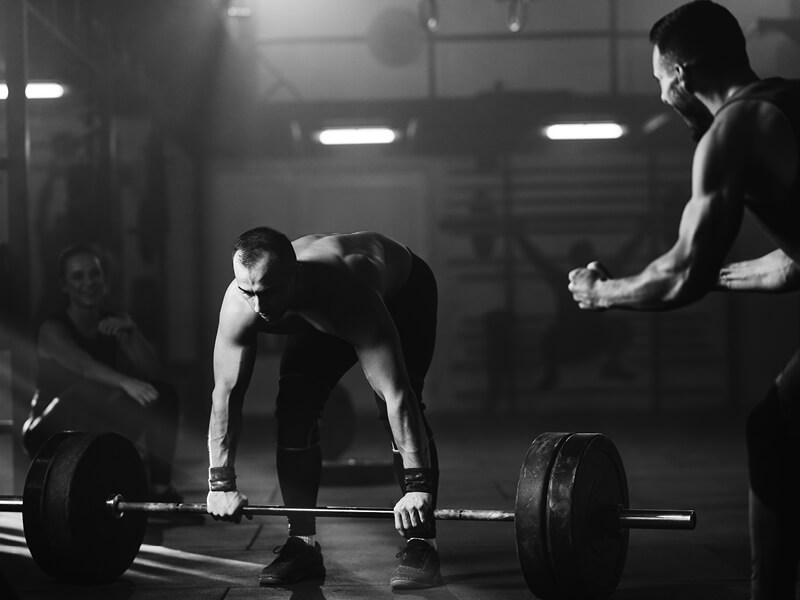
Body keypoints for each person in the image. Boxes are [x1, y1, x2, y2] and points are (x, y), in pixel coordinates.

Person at [566, 2, 800, 598]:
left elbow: (679, 276)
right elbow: (792, 262)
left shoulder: (733, 129)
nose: (662, 98)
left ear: (682, 76)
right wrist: (718, 276)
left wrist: (602, 293)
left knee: (774, 431)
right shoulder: (787, 103)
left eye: (658, 82)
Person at [206, 227, 441, 589]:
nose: (259, 307)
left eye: (267, 293)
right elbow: (225, 394)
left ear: (294, 276)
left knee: (392, 405)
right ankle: (302, 544)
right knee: (294, 409)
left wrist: (418, 486)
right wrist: (220, 482)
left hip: (402, 294)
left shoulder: (348, 295)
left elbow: (399, 398)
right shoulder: (242, 304)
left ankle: (421, 543)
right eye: (248, 292)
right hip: (312, 307)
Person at [22, 243, 184, 503]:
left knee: (163, 394)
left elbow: (152, 373)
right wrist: (125, 382)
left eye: (94, 274)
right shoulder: (52, 328)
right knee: (86, 390)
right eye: (78, 276)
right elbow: (83, 366)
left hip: (95, 424)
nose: (88, 282)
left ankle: (161, 491)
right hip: (48, 431)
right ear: (64, 285)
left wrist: (132, 332)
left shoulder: (113, 320)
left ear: (104, 279)